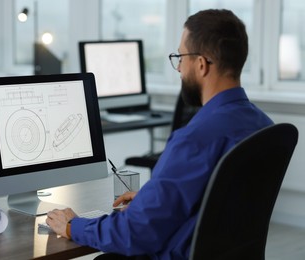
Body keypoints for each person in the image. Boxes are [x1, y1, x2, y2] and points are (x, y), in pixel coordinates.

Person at [46, 9, 274, 260]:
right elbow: (220, 201)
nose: (178, 68)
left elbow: (132, 234)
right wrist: (151, 199)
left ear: (201, 64)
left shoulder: (195, 139)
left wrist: (72, 225)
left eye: (180, 57)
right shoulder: (264, 126)